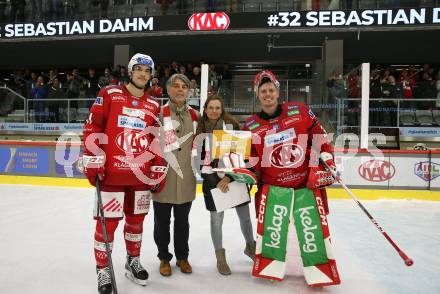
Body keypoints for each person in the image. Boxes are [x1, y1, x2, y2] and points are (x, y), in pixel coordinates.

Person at [243, 70, 341, 287]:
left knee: (312, 231)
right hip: (274, 189)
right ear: (257, 95)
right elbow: (252, 159)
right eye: (263, 91)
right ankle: (270, 266)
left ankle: (321, 270)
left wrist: (325, 153)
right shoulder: (250, 126)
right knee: (272, 232)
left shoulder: (300, 110)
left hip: (304, 186)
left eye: (271, 90)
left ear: (278, 91)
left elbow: (320, 137)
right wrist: (243, 169)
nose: (267, 94)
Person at [82, 53, 167, 294]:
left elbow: (156, 139)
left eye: (147, 70)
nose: (142, 74)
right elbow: (93, 126)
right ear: (130, 71)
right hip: (112, 176)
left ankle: (133, 260)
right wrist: (94, 159)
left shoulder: (153, 104)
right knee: (107, 226)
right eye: (138, 69)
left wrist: (158, 168)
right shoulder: (109, 94)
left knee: (136, 223)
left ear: (151, 76)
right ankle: (103, 270)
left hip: (139, 178)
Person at [196, 95, 255, 275]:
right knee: (216, 221)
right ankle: (220, 257)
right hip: (213, 183)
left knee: (245, 217)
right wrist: (216, 180)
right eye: (211, 108)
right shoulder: (200, 132)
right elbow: (199, 163)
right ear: (205, 110)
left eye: (217, 108)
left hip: (234, 179)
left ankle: (251, 247)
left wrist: (229, 177)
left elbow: (242, 156)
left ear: (222, 110)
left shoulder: (232, 127)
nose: (214, 111)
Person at [152, 73, 199, 277]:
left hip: (186, 179)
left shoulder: (196, 116)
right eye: (176, 86)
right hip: (163, 179)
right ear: (168, 89)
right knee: (161, 223)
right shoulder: (158, 113)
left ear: (188, 91)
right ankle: (164, 258)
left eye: (184, 86)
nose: (180, 89)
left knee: (182, 223)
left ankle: (182, 257)